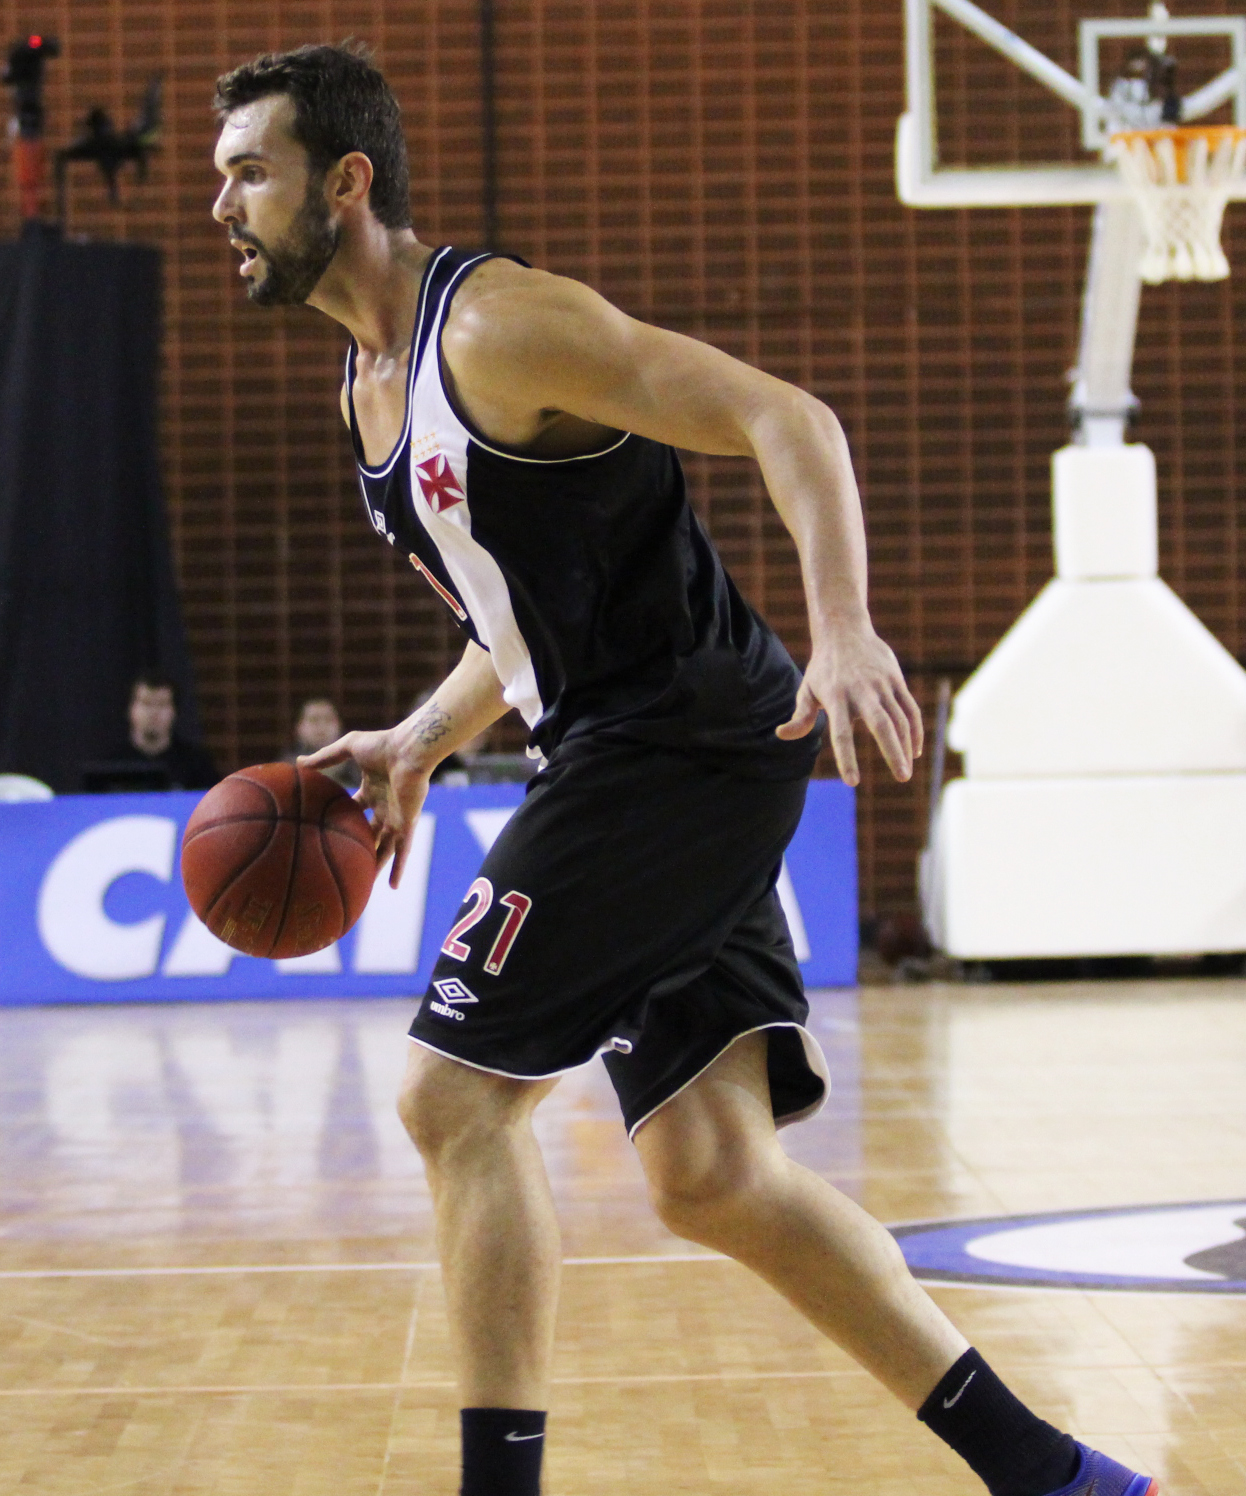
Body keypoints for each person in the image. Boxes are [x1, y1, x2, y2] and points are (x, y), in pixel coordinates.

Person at [210, 44, 1157, 1496]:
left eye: (248, 172)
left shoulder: (498, 329)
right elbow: (518, 617)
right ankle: (1062, 1478)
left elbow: (790, 417)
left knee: (451, 1101)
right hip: (640, 749)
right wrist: (416, 738)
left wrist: (844, 627)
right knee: (714, 1175)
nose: (221, 204)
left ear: (344, 183)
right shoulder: (366, 390)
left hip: (674, 742)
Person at [100, 673, 218, 791]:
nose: (154, 712)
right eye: (146, 703)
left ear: (174, 711)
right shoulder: (110, 765)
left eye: (162, 704)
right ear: (130, 709)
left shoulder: (196, 765)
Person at [285, 695, 361, 790]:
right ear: (298, 727)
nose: (322, 727)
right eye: (314, 720)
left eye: (328, 719)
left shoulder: (359, 765)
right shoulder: (284, 768)